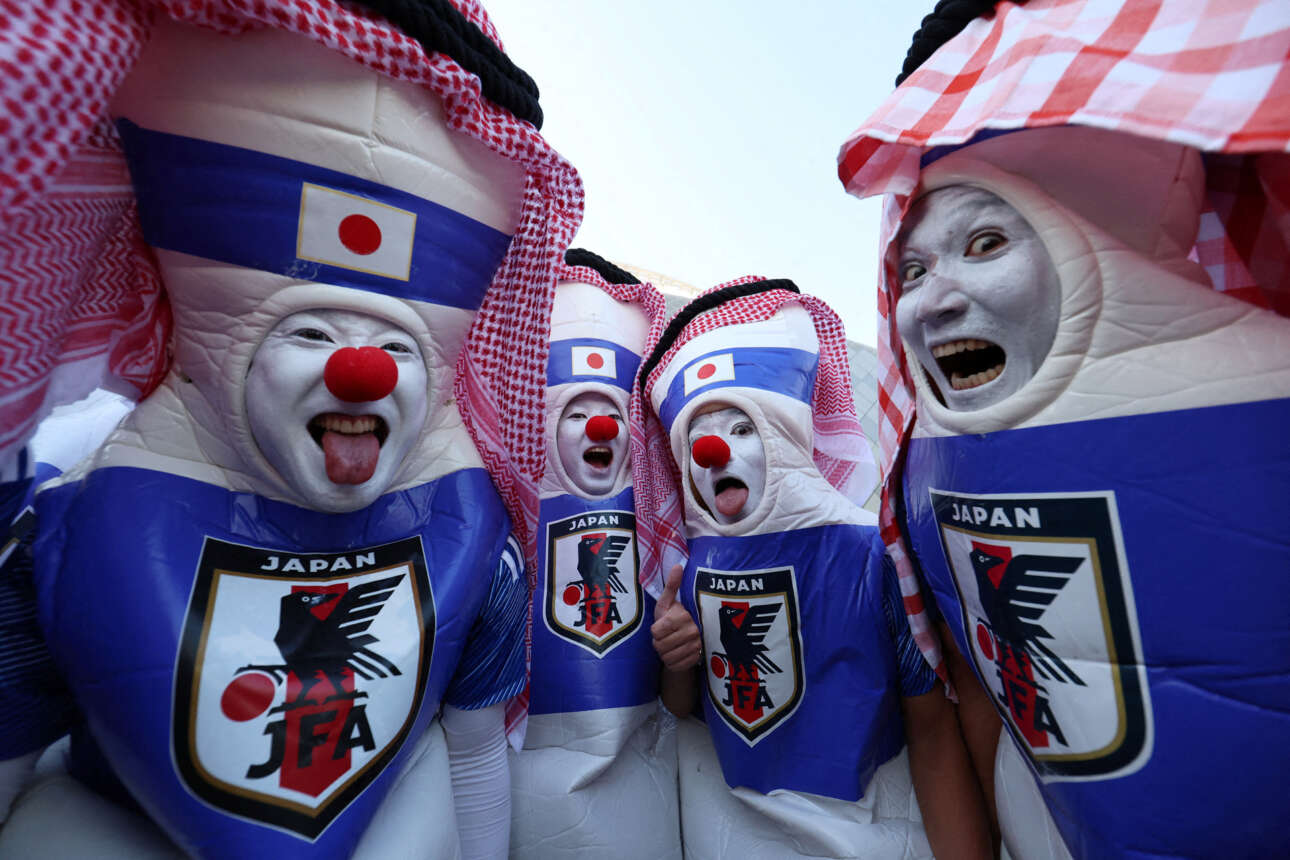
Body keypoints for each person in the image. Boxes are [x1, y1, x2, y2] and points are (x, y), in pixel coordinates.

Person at [0, 1, 583, 857]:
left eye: (399, 347)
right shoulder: (62, 538)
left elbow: (474, 755)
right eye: (309, 333)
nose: (363, 370)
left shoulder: (482, 558)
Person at [838, 2, 1290, 856]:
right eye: (914, 267)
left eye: (985, 244)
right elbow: (976, 691)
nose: (931, 302)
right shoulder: (928, 479)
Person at [637, 277, 990, 860]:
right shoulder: (688, 571)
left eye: (742, 429)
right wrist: (678, 661)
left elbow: (931, 726)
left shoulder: (877, 555)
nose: (713, 452)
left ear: (784, 431)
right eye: (698, 436)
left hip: (871, 833)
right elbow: (686, 707)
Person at [508, 250, 681, 859]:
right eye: (575, 412)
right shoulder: (499, 512)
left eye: (612, 413)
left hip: (644, 783)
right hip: (514, 781)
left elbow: (683, 695)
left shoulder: (666, 518)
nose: (599, 428)